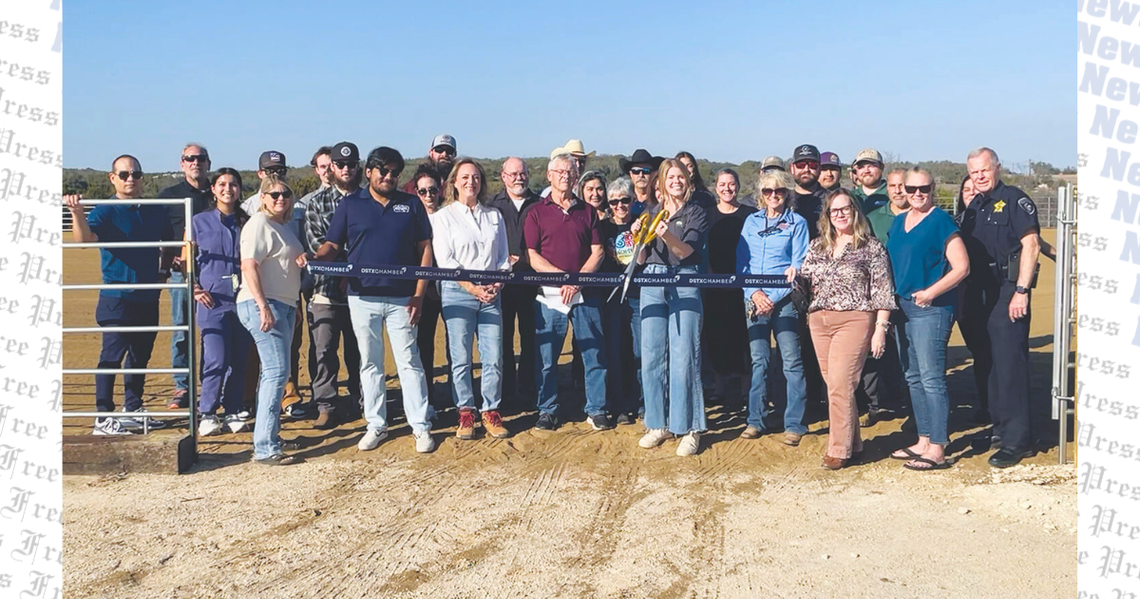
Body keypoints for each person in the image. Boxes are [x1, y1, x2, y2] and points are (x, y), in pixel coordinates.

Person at [315, 146, 436, 454]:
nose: (389, 177)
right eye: (383, 170)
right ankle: (376, 424)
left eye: (395, 172)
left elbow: (425, 249)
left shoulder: (411, 204)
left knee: (409, 362)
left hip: (402, 298)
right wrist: (315, 258)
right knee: (370, 363)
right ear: (368, 172)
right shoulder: (350, 205)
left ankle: (420, 426)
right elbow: (332, 243)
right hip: (362, 296)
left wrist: (419, 294)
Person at [65, 155, 173, 435]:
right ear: (113, 178)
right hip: (117, 296)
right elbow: (84, 240)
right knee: (111, 355)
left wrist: (162, 274)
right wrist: (77, 213)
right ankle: (103, 416)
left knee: (140, 356)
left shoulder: (155, 209)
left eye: (135, 174)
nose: (130, 179)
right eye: (124, 174)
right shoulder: (105, 210)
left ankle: (133, 408)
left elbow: (169, 244)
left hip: (148, 295)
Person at [797, 189, 896, 469]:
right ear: (827, 216)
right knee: (837, 386)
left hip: (855, 319)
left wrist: (880, 328)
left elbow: (882, 292)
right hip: (819, 320)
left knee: (840, 384)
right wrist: (793, 278)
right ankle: (855, 443)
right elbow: (805, 281)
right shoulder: (817, 246)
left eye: (845, 209)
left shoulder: (871, 248)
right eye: (834, 210)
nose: (840, 214)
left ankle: (838, 449)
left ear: (855, 211)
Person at [960, 147, 1042, 468]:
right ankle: (999, 429)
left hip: (1009, 290)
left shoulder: (1014, 199)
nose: (979, 176)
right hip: (982, 292)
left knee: (1010, 366)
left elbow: (1031, 244)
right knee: (990, 363)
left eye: (984, 170)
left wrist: (1021, 290)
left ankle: (1018, 440)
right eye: (974, 172)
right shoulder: (976, 205)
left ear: (997, 167)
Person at [885, 167, 970, 471]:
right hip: (902, 308)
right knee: (913, 376)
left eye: (924, 189)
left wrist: (931, 292)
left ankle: (938, 446)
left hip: (930, 310)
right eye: (911, 189)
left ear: (932, 188)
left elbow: (961, 267)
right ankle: (923, 439)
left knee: (932, 378)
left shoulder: (941, 221)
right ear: (902, 190)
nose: (917, 194)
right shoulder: (898, 223)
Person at [524, 153, 610, 431]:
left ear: (576, 177)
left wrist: (577, 280)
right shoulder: (536, 212)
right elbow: (533, 256)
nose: (565, 176)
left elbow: (597, 252)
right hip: (550, 295)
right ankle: (547, 409)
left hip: (585, 293)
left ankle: (597, 409)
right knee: (547, 358)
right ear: (549, 176)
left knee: (593, 354)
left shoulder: (587, 212)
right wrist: (562, 279)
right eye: (559, 171)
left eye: (570, 172)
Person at [431, 158, 513, 440]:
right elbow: (446, 261)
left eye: (475, 177)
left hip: (491, 292)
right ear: (454, 182)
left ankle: (491, 410)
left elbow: (503, 258)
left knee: (493, 356)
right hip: (458, 292)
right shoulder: (442, 218)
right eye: (465, 177)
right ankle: (466, 412)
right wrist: (472, 288)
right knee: (461, 357)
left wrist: (497, 283)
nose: (471, 182)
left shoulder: (494, 216)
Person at [635, 159, 710, 456]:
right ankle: (657, 423)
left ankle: (690, 427)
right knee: (651, 354)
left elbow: (686, 252)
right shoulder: (651, 212)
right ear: (661, 183)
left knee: (684, 356)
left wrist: (665, 234)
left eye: (680, 176)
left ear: (688, 181)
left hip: (684, 279)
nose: (676, 181)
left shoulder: (696, 212)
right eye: (670, 177)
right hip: (652, 280)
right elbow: (639, 260)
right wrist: (638, 237)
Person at [236, 175, 308, 465]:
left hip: (285, 304)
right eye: (274, 194)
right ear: (263, 197)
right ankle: (265, 446)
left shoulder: (283, 227)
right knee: (277, 372)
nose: (281, 198)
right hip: (265, 305)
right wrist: (262, 304)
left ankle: (270, 435)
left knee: (276, 372)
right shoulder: (258, 224)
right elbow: (249, 265)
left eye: (286, 194)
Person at [736, 169, 809, 446]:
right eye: (768, 191)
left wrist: (773, 298)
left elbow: (798, 263)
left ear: (787, 193)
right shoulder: (750, 222)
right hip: (754, 299)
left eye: (779, 191)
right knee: (759, 361)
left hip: (785, 301)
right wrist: (755, 293)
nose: (774, 196)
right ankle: (756, 420)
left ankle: (794, 423)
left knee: (791, 361)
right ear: (761, 195)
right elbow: (741, 262)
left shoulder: (797, 223)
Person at [304, 141, 364, 428]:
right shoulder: (316, 203)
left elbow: (371, 245)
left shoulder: (370, 201)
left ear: (358, 167)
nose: (345, 169)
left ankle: (361, 401)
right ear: (332, 169)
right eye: (340, 165)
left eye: (351, 165)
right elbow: (318, 243)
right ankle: (326, 404)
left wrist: (350, 273)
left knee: (361, 351)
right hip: (325, 291)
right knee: (324, 351)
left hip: (362, 290)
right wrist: (344, 270)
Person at [189, 168, 252, 436]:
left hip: (242, 299)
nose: (228, 189)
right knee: (216, 358)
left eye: (234, 184)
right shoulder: (197, 222)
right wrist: (194, 288)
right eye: (222, 184)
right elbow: (185, 261)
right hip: (211, 302)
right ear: (213, 189)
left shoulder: (248, 222)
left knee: (240, 358)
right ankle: (207, 412)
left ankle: (233, 409)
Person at [158, 143, 213, 410]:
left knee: (212, 331)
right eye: (190, 158)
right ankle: (183, 386)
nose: (195, 162)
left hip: (214, 274)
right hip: (181, 275)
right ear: (182, 164)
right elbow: (159, 236)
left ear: (208, 163)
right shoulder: (169, 196)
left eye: (200, 158)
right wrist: (170, 259)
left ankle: (211, 384)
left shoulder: (218, 193)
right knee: (182, 330)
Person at [488, 157, 541, 411]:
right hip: (503, 285)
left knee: (532, 339)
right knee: (502, 340)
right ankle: (506, 393)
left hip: (533, 283)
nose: (519, 178)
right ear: (504, 176)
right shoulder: (491, 206)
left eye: (522, 173)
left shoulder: (540, 205)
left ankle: (530, 391)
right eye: (513, 174)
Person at [858, 168, 911, 425]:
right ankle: (874, 404)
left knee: (907, 350)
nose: (898, 190)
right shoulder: (873, 218)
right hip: (878, 294)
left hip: (911, 294)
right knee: (875, 350)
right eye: (892, 186)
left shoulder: (922, 215)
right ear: (886, 188)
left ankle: (907, 401)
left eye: (903, 185)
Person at [702, 168, 756, 405]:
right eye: (722, 184)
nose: (727, 188)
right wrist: (712, 277)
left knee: (743, 338)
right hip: (714, 286)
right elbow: (703, 251)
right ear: (716, 187)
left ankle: (746, 389)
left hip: (743, 286)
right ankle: (719, 387)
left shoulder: (750, 215)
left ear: (738, 186)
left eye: (731, 184)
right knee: (716, 337)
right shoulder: (706, 215)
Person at [597, 176, 642, 425]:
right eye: (614, 202)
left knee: (639, 350)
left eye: (624, 201)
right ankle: (619, 404)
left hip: (637, 295)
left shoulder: (641, 224)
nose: (619, 206)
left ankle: (641, 401)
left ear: (632, 201)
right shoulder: (603, 228)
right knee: (614, 351)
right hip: (611, 297)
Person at [410, 165, 449, 409]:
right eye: (423, 191)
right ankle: (428, 400)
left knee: (456, 343)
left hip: (451, 287)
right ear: (416, 192)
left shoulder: (450, 215)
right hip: (423, 291)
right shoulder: (411, 218)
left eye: (432, 190)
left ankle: (461, 399)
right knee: (423, 345)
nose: (428, 196)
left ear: (440, 190)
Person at [789, 144, 825, 238]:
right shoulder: (782, 200)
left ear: (820, 168)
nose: (806, 169)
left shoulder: (832, 200)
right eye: (800, 165)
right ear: (792, 168)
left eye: (812, 165)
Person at [620, 149, 664, 214]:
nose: (641, 175)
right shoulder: (622, 201)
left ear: (654, 174)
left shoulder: (661, 200)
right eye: (636, 171)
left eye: (646, 171)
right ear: (630, 174)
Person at [851, 148, 889, 214]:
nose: (866, 171)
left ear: (881, 167)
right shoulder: (850, 196)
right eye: (861, 167)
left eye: (871, 166)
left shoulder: (893, 194)